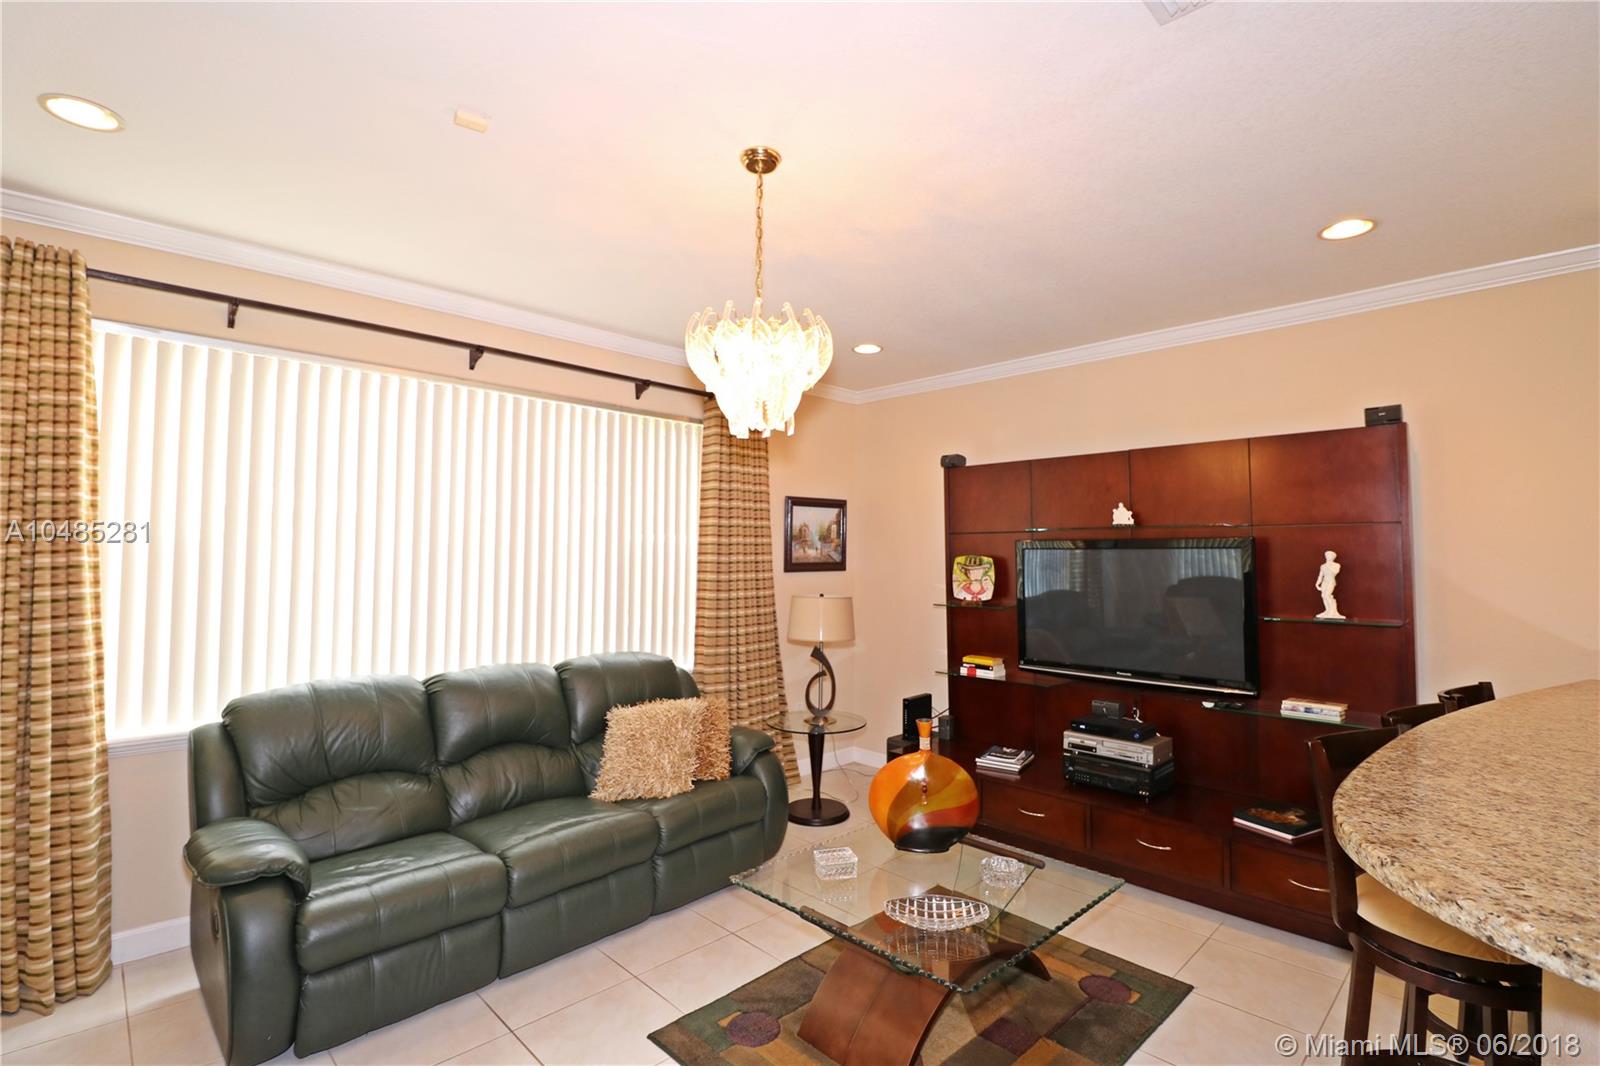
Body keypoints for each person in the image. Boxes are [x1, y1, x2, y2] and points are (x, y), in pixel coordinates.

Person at [1315, 550, 1344, 619]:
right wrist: (1317, 584)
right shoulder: (1323, 566)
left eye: (1330, 556)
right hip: (1324, 582)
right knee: (1323, 596)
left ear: (1333, 557)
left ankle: (1332, 612)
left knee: (1327, 595)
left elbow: (1335, 572)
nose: (1328, 557)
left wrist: (1329, 566)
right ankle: (1327, 610)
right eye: (1327, 555)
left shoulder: (1336, 565)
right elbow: (1320, 576)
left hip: (1331, 581)